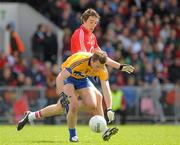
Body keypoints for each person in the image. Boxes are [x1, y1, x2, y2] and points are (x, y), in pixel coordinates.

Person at [17, 50, 125, 142]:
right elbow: (60, 77)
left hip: (82, 79)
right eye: (97, 66)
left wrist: (109, 108)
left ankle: (31, 116)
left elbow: (106, 89)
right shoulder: (79, 62)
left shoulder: (101, 68)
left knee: (91, 105)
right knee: (72, 106)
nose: (98, 70)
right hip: (68, 79)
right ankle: (73, 135)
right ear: (92, 60)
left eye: (101, 67)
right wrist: (62, 95)